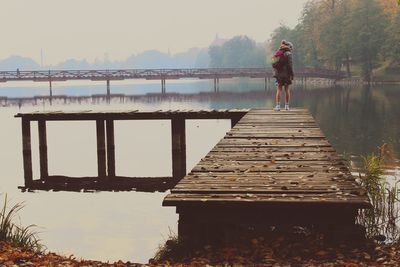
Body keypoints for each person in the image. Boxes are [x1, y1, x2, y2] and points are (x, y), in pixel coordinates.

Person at [272, 40, 294, 111]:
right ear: (289, 47)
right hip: (287, 74)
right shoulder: (289, 53)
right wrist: (292, 74)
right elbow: (290, 65)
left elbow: (273, 63)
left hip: (279, 74)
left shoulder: (278, 52)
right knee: (287, 89)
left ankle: (278, 106)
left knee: (279, 89)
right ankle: (287, 106)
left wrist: (275, 73)